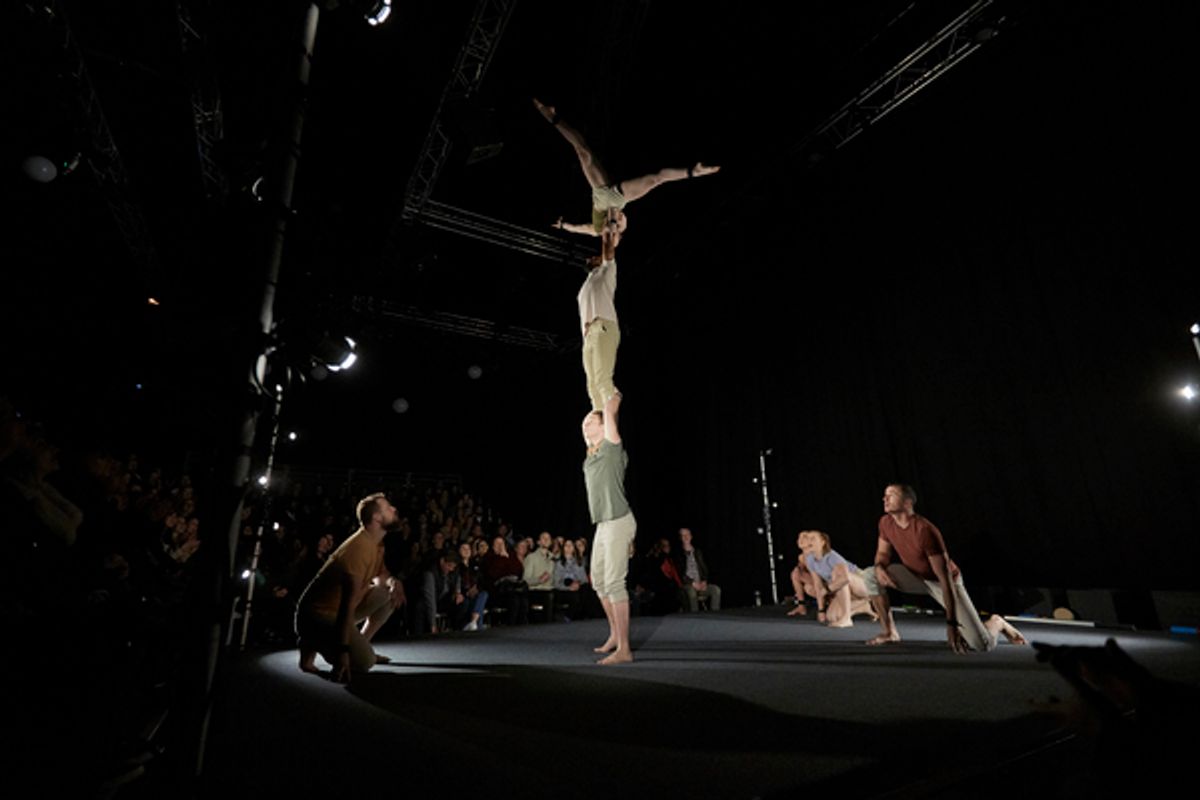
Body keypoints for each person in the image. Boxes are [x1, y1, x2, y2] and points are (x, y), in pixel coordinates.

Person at [861, 484, 1026, 652]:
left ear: (907, 503)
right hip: (916, 576)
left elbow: (945, 580)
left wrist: (952, 624)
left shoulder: (925, 530)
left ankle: (996, 622)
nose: (885, 498)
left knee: (982, 644)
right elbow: (882, 553)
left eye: (892, 494)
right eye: (885, 495)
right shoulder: (885, 522)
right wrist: (879, 567)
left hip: (944, 583)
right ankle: (890, 632)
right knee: (870, 574)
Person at [533, 98, 720, 239]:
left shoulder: (596, 231)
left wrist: (563, 226)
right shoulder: (621, 229)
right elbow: (619, 218)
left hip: (600, 194)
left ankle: (551, 116)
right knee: (656, 179)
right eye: (614, 238)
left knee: (583, 152)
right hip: (617, 199)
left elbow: (579, 228)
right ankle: (693, 172)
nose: (611, 236)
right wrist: (617, 223)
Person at [295, 493, 406, 682]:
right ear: (376, 518)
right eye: (388, 508)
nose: (394, 509)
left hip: (334, 611)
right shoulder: (359, 549)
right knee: (365, 663)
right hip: (317, 615)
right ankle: (316, 641)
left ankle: (359, 644)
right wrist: (343, 653)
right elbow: (347, 605)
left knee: (388, 594)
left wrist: (393, 582)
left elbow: (381, 575)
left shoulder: (376, 543)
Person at [582, 391, 636, 664]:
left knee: (615, 583)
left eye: (591, 421)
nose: (585, 425)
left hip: (618, 520)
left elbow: (612, 404)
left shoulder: (612, 448)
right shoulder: (590, 457)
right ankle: (615, 634)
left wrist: (606, 394)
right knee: (600, 582)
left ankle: (624, 649)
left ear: (605, 426)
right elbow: (591, 434)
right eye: (583, 423)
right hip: (603, 525)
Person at [575, 222, 622, 411]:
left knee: (603, 381)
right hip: (588, 337)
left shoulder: (607, 271)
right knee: (592, 387)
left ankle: (611, 424)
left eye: (593, 257)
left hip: (603, 326)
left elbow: (608, 252)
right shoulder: (585, 285)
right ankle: (600, 424)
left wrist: (608, 236)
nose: (589, 258)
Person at [797, 530, 874, 627]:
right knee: (832, 616)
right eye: (808, 538)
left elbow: (845, 578)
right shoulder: (810, 560)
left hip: (863, 585)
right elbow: (817, 583)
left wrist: (826, 590)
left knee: (837, 576)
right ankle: (863, 606)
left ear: (823, 542)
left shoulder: (832, 557)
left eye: (813, 538)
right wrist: (821, 610)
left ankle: (847, 618)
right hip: (845, 588)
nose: (809, 541)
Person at [674, 527, 721, 612]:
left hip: (700, 584)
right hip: (687, 584)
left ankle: (714, 615)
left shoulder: (697, 552)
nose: (685, 537)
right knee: (691, 592)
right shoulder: (678, 554)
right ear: (680, 538)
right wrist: (693, 583)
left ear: (691, 536)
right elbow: (680, 573)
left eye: (687, 535)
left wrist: (704, 581)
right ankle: (695, 616)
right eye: (683, 535)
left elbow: (704, 568)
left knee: (716, 590)